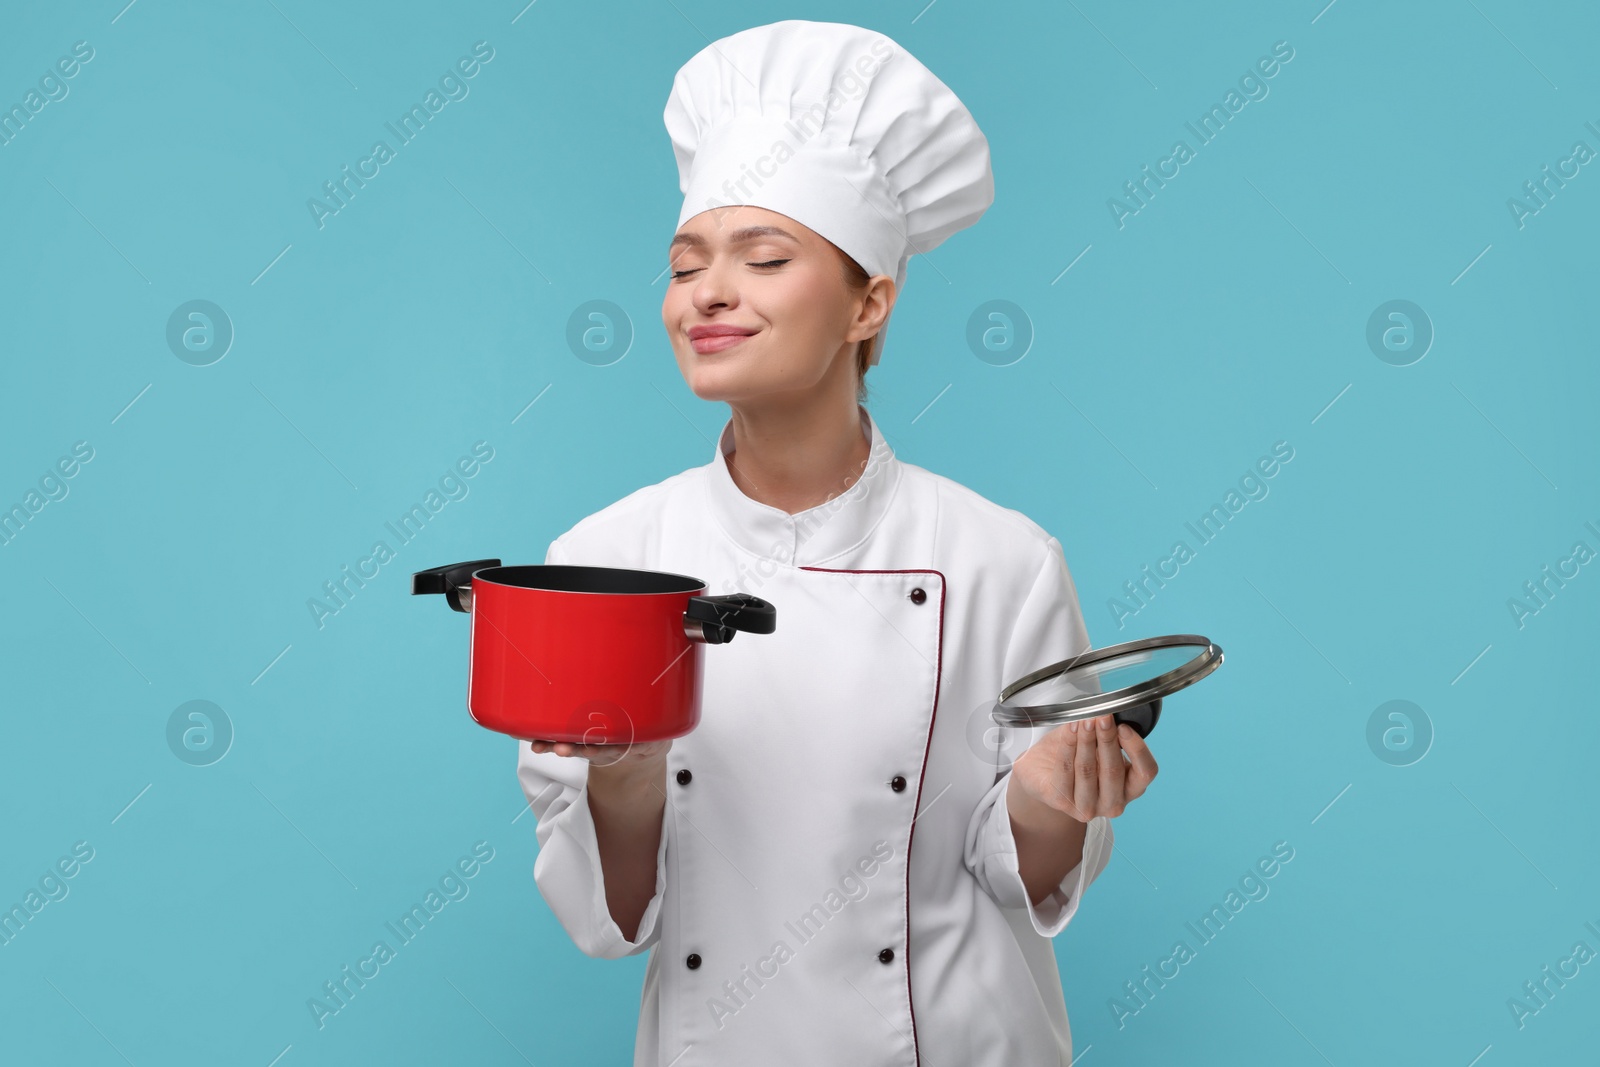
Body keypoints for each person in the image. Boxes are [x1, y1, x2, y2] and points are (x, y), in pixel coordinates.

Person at [516, 20, 1158, 1066]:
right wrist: (623, 778)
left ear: (871, 301)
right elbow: (609, 921)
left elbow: (1019, 872)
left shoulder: (999, 557)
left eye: (765, 257)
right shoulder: (604, 558)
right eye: (686, 266)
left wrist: (1050, 797)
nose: (709, 294)